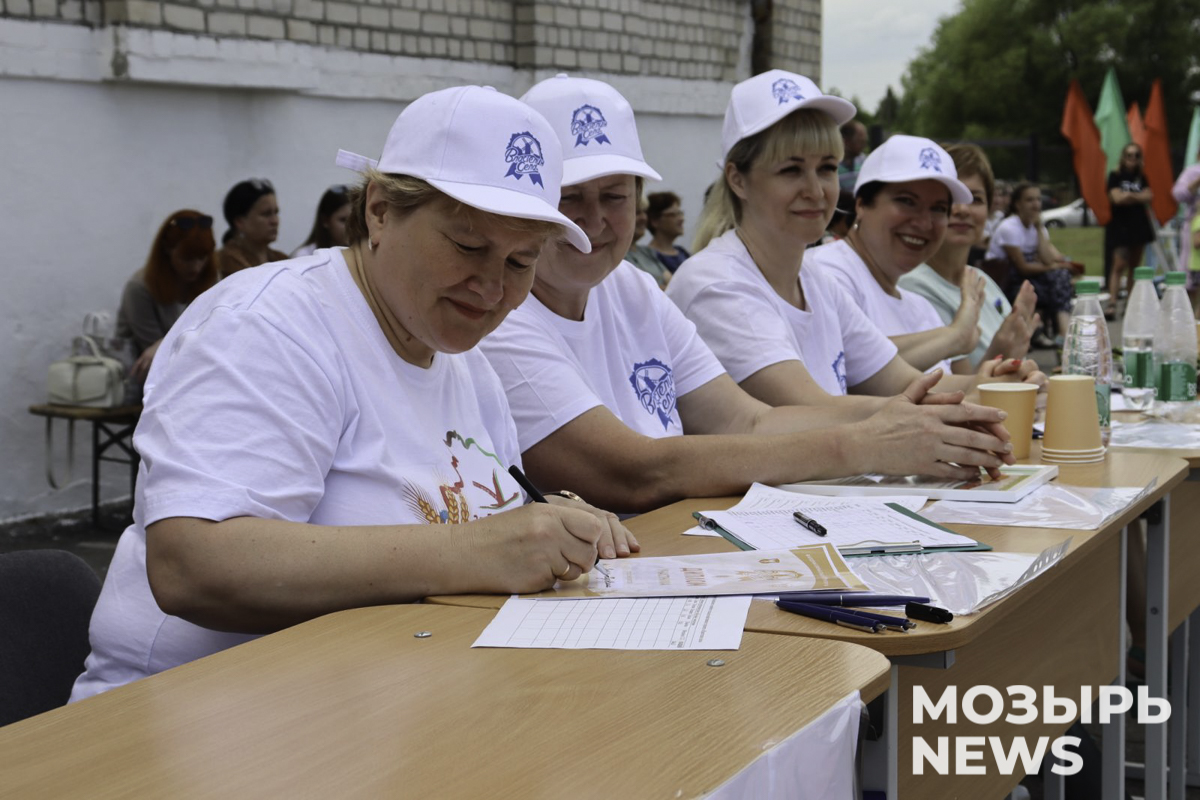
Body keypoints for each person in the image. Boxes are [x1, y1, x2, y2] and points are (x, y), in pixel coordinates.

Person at [70, 86, 634, 701]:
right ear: (380, 212)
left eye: (521, 262)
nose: (492, 287)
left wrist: (551, 526)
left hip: (384, 705)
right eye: (468, 247)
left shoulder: (469, 369)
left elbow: (483, 530)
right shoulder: (266, 326)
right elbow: (194, 564)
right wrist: (477, 550)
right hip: (185, 718)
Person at [479, 73, 1014, 515]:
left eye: (615, 196)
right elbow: (637, 471)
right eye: (570, 197)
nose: (595, 219)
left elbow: (748, 419)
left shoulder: (633, 287)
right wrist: (873, 440)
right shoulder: (501, 311)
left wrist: (963, 404)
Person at [671, 73, 1041, 414]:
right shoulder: (717, 283)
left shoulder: (816, 281)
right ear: (737, 179)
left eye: (827, 168)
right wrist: (967, 391)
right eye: (791, 170)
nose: (816, 191)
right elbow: (816, 412)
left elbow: (901, 383)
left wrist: (994, 383)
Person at [898, 144, 1040, 370]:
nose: (963, 209)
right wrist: (1001, 351)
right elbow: (958, 392)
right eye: (952, 198)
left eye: (975, 199)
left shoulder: (980, 279)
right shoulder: (913, 286)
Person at [116, 210, 219, 383]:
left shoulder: (211, 281)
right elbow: (158, 358)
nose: (196, 267)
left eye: (202, 258)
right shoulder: (139, 288)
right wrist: (162, 345)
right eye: (187, 259)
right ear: (167, 249)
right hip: (143, 383)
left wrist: (163, 343)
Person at [985, 182, 1078, 344]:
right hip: (1006, 278)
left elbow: (1047, 259)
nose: (1036, 205)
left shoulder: (1037, 226)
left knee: (1060, 278)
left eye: (1038, 200)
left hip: (1031, 278)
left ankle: (1062, 333)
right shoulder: (1009, 227)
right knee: (1059, 277)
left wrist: (1040, 228)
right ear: (1017, 204)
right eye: (1029, 200)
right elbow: (1023, 268)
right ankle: (1063, 331)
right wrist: (1055, 266)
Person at [1105, 143, 1156, 317]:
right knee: (1119, 264)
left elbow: (1149, 196)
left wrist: (1130, 196)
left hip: (1139, 225)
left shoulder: (1141, 177)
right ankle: (1112, 302)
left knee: (1134, 266)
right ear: (1123, 157)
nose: (1132, 159)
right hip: (1121, 225)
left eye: (1136, 155)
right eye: (1129, 155)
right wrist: (1137, 197)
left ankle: (1130, 302)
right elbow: (1116, 198)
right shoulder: (1115, 175)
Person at [215, 178, 287, 278]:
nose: (275, 221)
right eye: (266, 214)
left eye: (276, 213)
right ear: (240, 222)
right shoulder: (223, 263)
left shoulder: (282, 259)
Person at [292, 184, 352, 257]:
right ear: (325, 221)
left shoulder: (359, 254)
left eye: (354, 220)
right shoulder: (305, 255)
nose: (351, 226)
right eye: (343, 220)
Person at [625, 193, 670, 288]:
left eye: (645, 212)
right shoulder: (616, 256)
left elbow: (672, 283)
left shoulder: (647, 252)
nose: (644, 217)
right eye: (637, 213)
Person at [645, 191, 690, 273]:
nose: (681, 219)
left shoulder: (682, 252)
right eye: (672, 215)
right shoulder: (648, 256)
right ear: (655, 221)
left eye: (680, 213)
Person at [838, 119, 868, 191]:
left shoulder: (864, 161)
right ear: (846, 141)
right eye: (860, 141)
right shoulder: (833, 165)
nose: (864, 145)